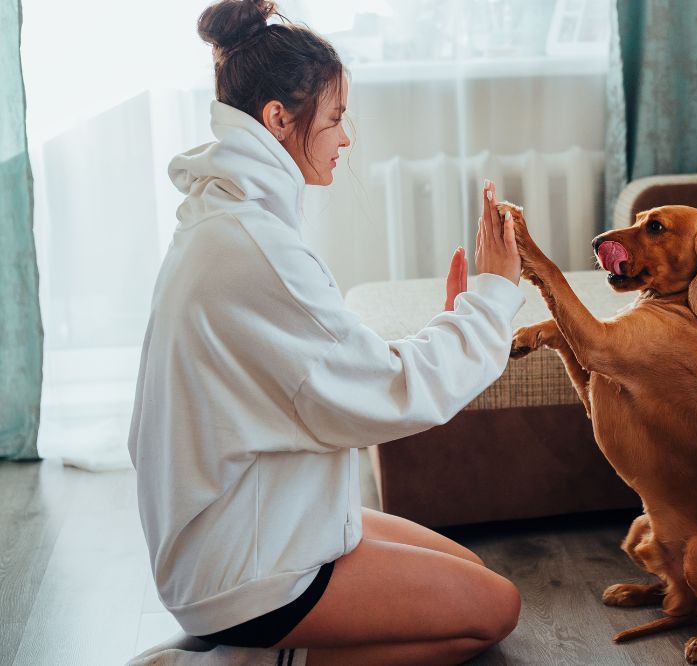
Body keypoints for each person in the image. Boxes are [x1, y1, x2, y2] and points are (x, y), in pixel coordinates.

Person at [126, 1, 524, 663]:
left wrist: (459, 318)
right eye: (336, 118)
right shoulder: (254, 247)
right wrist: (494, 296)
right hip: (242, 566)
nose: (348, 137)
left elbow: (336, 370)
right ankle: (244, 657)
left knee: (472, 574)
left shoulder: (229, 214)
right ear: (279, 119)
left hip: (254, 517)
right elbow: (388, 391)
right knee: (495, 610)